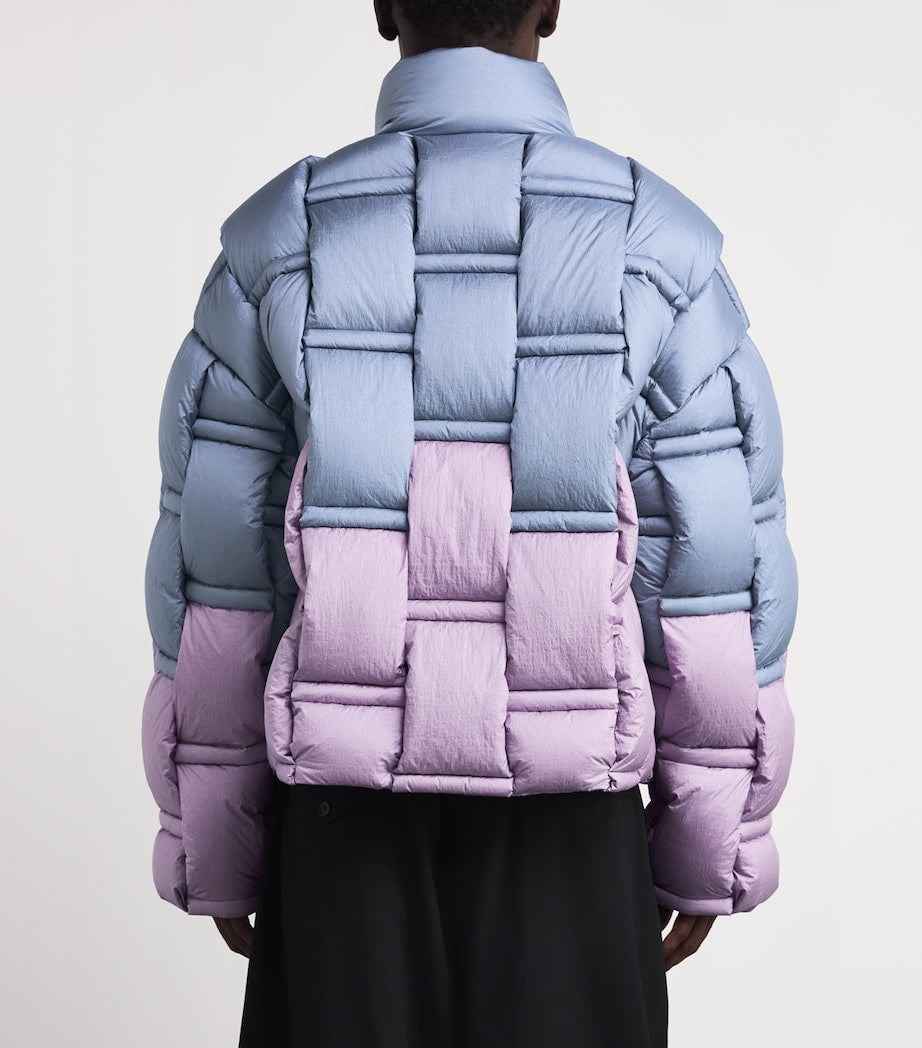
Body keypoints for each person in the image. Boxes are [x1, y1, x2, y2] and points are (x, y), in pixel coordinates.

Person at [140, 2, 799, 1045]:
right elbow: (710, 576)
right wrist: (706, 841)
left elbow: (221, 579)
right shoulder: (660, 250)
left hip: (340, 830)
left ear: (381, 8)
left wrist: (219, 841)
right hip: (573, 829)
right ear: (552, 6)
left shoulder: (276, 246)